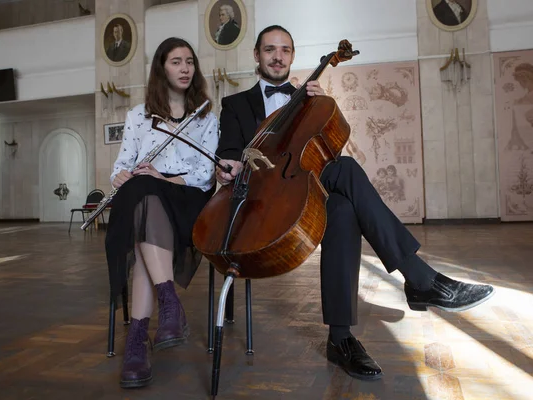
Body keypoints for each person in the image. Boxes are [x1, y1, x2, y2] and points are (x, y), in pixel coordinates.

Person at [215, 25, 494, 381]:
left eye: (285, 49)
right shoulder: (235, 105)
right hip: (259, 202)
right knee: (345, 171)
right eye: (270, 49)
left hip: (299, 193)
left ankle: (340, 338)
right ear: (257, 55)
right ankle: (420, 279)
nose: (277, 56)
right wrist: (230, 166)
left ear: (293, 56)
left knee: (343, 209)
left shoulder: (306, 99)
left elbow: (319, 156)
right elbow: (227, 155)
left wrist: (311, 108)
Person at [105, 37, 219, 388]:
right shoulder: (138, 116)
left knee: (145, 200)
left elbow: (206, 172)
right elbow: (121, 165)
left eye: (189, 61)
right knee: (141, 191)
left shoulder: (205, 117)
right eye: (176, 61)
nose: (185, 68)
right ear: (161, 68)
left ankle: (138, 343)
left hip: (187, 200)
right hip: (148, 201)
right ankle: (168, 306)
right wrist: (121, 175)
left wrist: (164, 177)